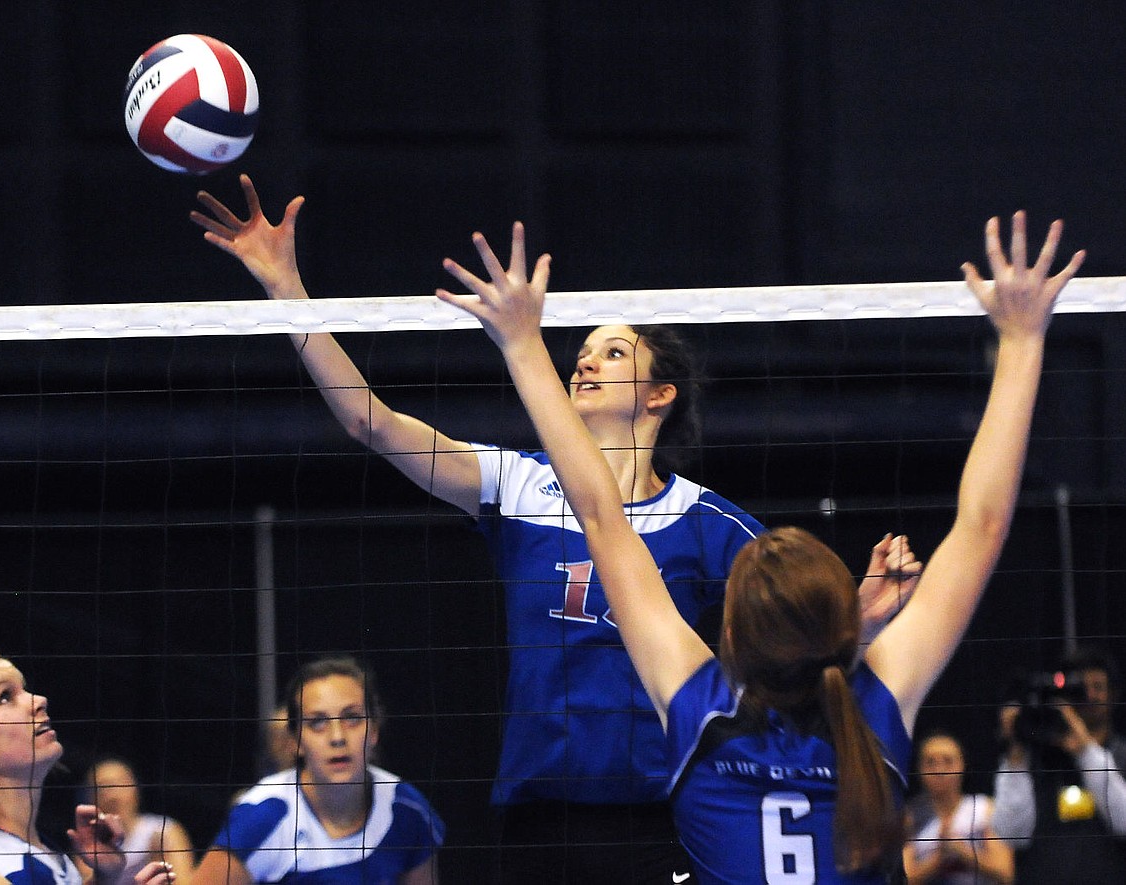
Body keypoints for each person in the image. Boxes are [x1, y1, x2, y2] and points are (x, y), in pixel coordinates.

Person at [190, 176, 918, 882]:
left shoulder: (712, 523)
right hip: (541, 816)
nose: (585, 360)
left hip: (663, 814)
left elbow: (794, 634)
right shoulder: (519, 483)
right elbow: (369, 421)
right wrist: (285, 287)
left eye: (613, 351)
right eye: (583, 350)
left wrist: (866, 614)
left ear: (659, 394)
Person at [435, 210, 1083, 882]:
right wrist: (1024, 337)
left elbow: (599, 514)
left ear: (734, 631)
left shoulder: (698, 707)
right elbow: (983, 523)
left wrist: (520, 344)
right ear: (840, 625)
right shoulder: (873, 709)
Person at [191, 656, 442, 885]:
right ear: (295, 741)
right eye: (317, 722)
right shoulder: (262, 816)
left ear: (374, 730)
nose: (337, 737)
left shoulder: (409, 811)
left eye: (352, 718)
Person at [0, 646, 178, 885]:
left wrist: (104, 879)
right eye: (5, 697)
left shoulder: (51, 856)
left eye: (24, 689)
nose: (39, 700)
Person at [990, 646, 1126, 882]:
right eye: (1081, 689)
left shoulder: (1121, 755)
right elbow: (1011, 834)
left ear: (1113, 695)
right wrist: (1016, 752)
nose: (1090, 696)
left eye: (1098, 687)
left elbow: (1124, 822)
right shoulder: (1036, 757)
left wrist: (1085, 750)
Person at [903, 730, 1014, 884]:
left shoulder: (984, 808)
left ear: (962, 765)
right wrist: (939, 859)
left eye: (948, 761)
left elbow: (1005, 873)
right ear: (920, 769)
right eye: (930, 762)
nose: (939, 770)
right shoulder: (910, 816)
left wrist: (961, 851)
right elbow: (906, 878)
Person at [80, 759, 196, 885]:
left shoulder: (164, 831)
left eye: (118, 784)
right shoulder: (88, 846)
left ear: (135, 789)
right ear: (90, 798)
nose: (112, 796)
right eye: (102, 788)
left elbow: (184, 881)